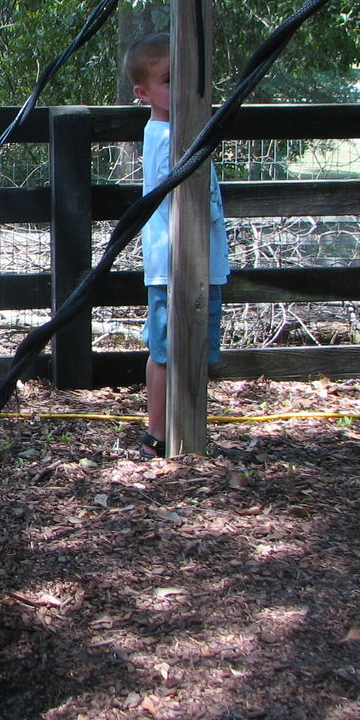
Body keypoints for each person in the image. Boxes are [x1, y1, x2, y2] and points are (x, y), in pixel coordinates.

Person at [125, 34, 230, 459]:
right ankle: (158, 434)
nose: (182, 90)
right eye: (170, 80)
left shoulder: (183, 129)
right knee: (168, 352)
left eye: (188, 79)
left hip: (202, 262)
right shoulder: (168, 135)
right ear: (144, 92)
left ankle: (184, 428)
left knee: (193, 350)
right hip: (175, 265)